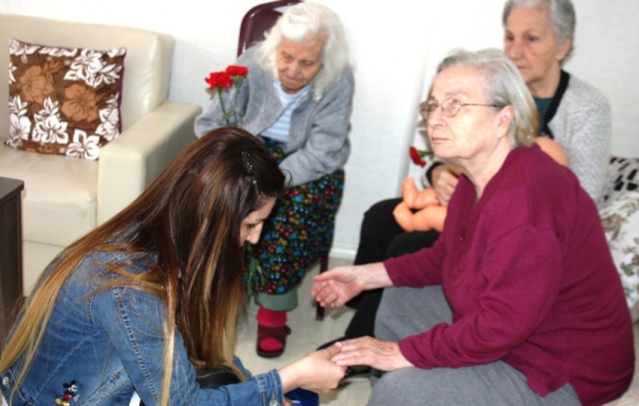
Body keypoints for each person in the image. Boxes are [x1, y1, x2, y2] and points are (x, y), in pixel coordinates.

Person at [312, 48, 634, 406]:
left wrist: (399, 352)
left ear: (503, 119)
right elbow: (447, 256)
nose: (435, 119)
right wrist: (368, 276)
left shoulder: (526, 206)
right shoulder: (476, 178)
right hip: (519, 333)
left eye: (454, 105)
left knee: (400, 392)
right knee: (401, 299)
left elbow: (500, 326)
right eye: (432, 106)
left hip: (562, 372)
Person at [318, 0, 612, 353]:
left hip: (521, 221)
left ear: (562, 46)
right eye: (510, 37)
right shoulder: (482, 83)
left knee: (407, 244)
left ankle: (363, 342)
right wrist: (442, 172)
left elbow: (580, 194)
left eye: (531, 39)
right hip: (472, 197)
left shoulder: (582, 107)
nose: (517, 50)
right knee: (380, 218)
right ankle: (365, 314)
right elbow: (455, 158)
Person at [0, 128, 346, 406]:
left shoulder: (158, 231)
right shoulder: (133, 290)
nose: (255, 239)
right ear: (214, 221)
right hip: (51, 399)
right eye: (251, 224)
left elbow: (199, 358)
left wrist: (261, 391)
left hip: (76, 384)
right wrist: (288, 379)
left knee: (229, 380)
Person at [194, 2, 354, 358]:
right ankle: (215, 290)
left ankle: (273, 309)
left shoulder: (338, 79)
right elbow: (212, 124)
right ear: (276, 47)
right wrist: (236, 161)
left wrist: (273, 180)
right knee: (223, 200)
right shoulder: (253, 63)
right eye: (286, 57)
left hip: (307, 165)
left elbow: (326, 149)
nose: (293, 70)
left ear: (326, 59)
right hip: (251, 150)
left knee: (283, 215)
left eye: (307, 62)